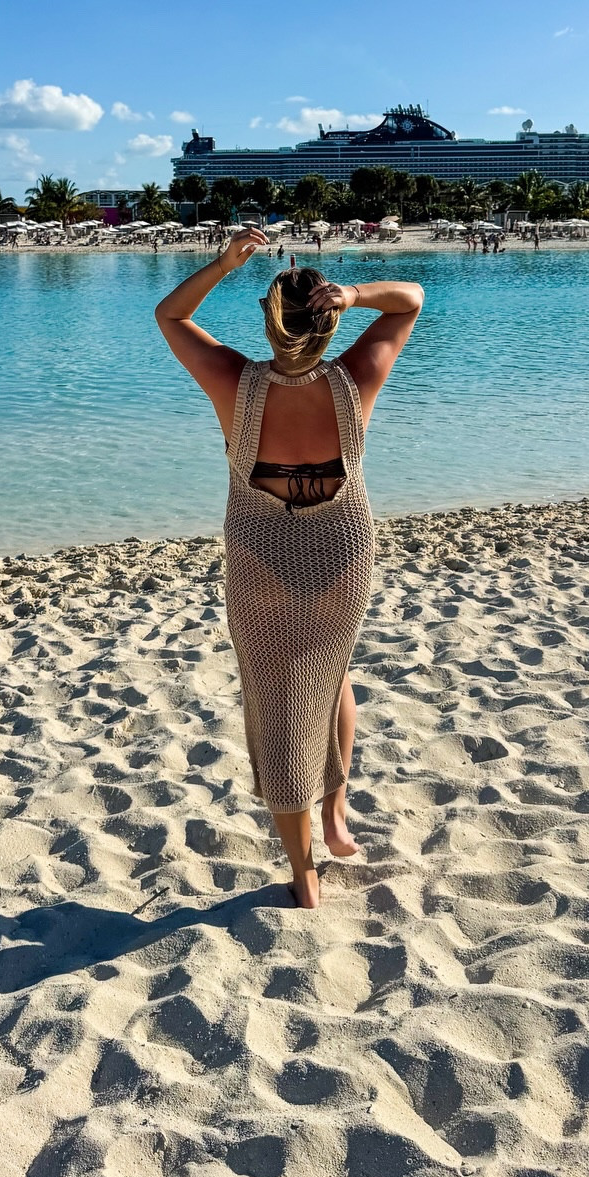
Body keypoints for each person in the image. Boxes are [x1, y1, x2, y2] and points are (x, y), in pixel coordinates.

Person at [155, 229, 423, 909]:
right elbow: (411, 300)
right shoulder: (356, 379)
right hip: (342, 552)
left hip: (260, 557)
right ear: (330, 321)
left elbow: (171, 315)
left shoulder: (233, 384)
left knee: (277, 706)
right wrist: (358, 293)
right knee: (330, 674)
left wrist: (222, 263)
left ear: (269, 321)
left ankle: (304, 876)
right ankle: (336, 813)